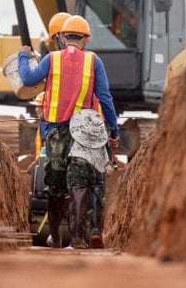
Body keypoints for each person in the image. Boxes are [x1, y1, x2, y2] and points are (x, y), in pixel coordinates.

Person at [18, 15, 120, 249]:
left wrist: (24, 56)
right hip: (83, 133)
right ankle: (77, 238)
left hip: (56, 131)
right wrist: (114, 130)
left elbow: (27, 78)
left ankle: (55, 236)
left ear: (63, 38)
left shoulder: (51, 59)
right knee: (80, 183)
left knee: (55, 184)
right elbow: (105, 98)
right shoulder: (94, 62)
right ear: (85, 39)